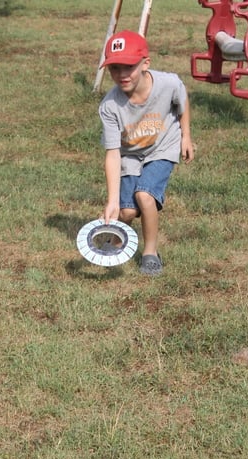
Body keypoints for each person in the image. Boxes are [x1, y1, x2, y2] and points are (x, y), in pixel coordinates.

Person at [98, 30, 194, 275]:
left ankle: (150, 252)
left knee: (144, 196)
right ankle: (118, 243)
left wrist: (186, 137)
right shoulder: (110, 106)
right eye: (114, 68)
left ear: (145, 63)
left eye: (128, 67)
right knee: (127, 210)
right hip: (130, 154)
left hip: (162, 147)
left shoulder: (169, 83)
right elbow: (112, 153)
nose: (121, 75)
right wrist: (112, 202)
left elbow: (182, 102)